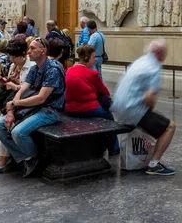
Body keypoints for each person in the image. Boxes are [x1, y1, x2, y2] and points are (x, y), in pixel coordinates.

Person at [0, 37, 65, 178]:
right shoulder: (34, 68)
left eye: (32, 48)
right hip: (32, 108)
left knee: (18, 132)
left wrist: (15, 104)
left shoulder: (53, 69)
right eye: (29, 48)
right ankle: (26, 158)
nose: (28, 52)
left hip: (50, 110)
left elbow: (41, 98)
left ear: (43, 51)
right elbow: (22, 90)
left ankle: (34, 157)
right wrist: (10, 111)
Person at [111, 40, 176, 176]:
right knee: (170, 127)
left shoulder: (139, 61)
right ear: (160, 53)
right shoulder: (155, 67)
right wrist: (150, 110)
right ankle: (154, 164)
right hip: (133, 110)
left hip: (117, 109)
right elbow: (149, 97)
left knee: (151, 119)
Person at [0, 39, 35, 173]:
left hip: (24, 101)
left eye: (15, 56)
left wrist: (15, 85)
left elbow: (31, 88)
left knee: (3, 119)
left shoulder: (31, 67)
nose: (12, 59)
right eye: (11, 56)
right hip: (12, 98)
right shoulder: (14, 65)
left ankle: (3, 156)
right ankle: (4, 149)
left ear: (23, 54)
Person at [65, 45, 119, 155]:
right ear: (87, 58)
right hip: (89, 108)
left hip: (70, 108)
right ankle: (114, 148)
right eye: (94, 57)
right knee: (110, 119)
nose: (95, 59)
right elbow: (105, 91)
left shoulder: (69, 71)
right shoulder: (92, 73)